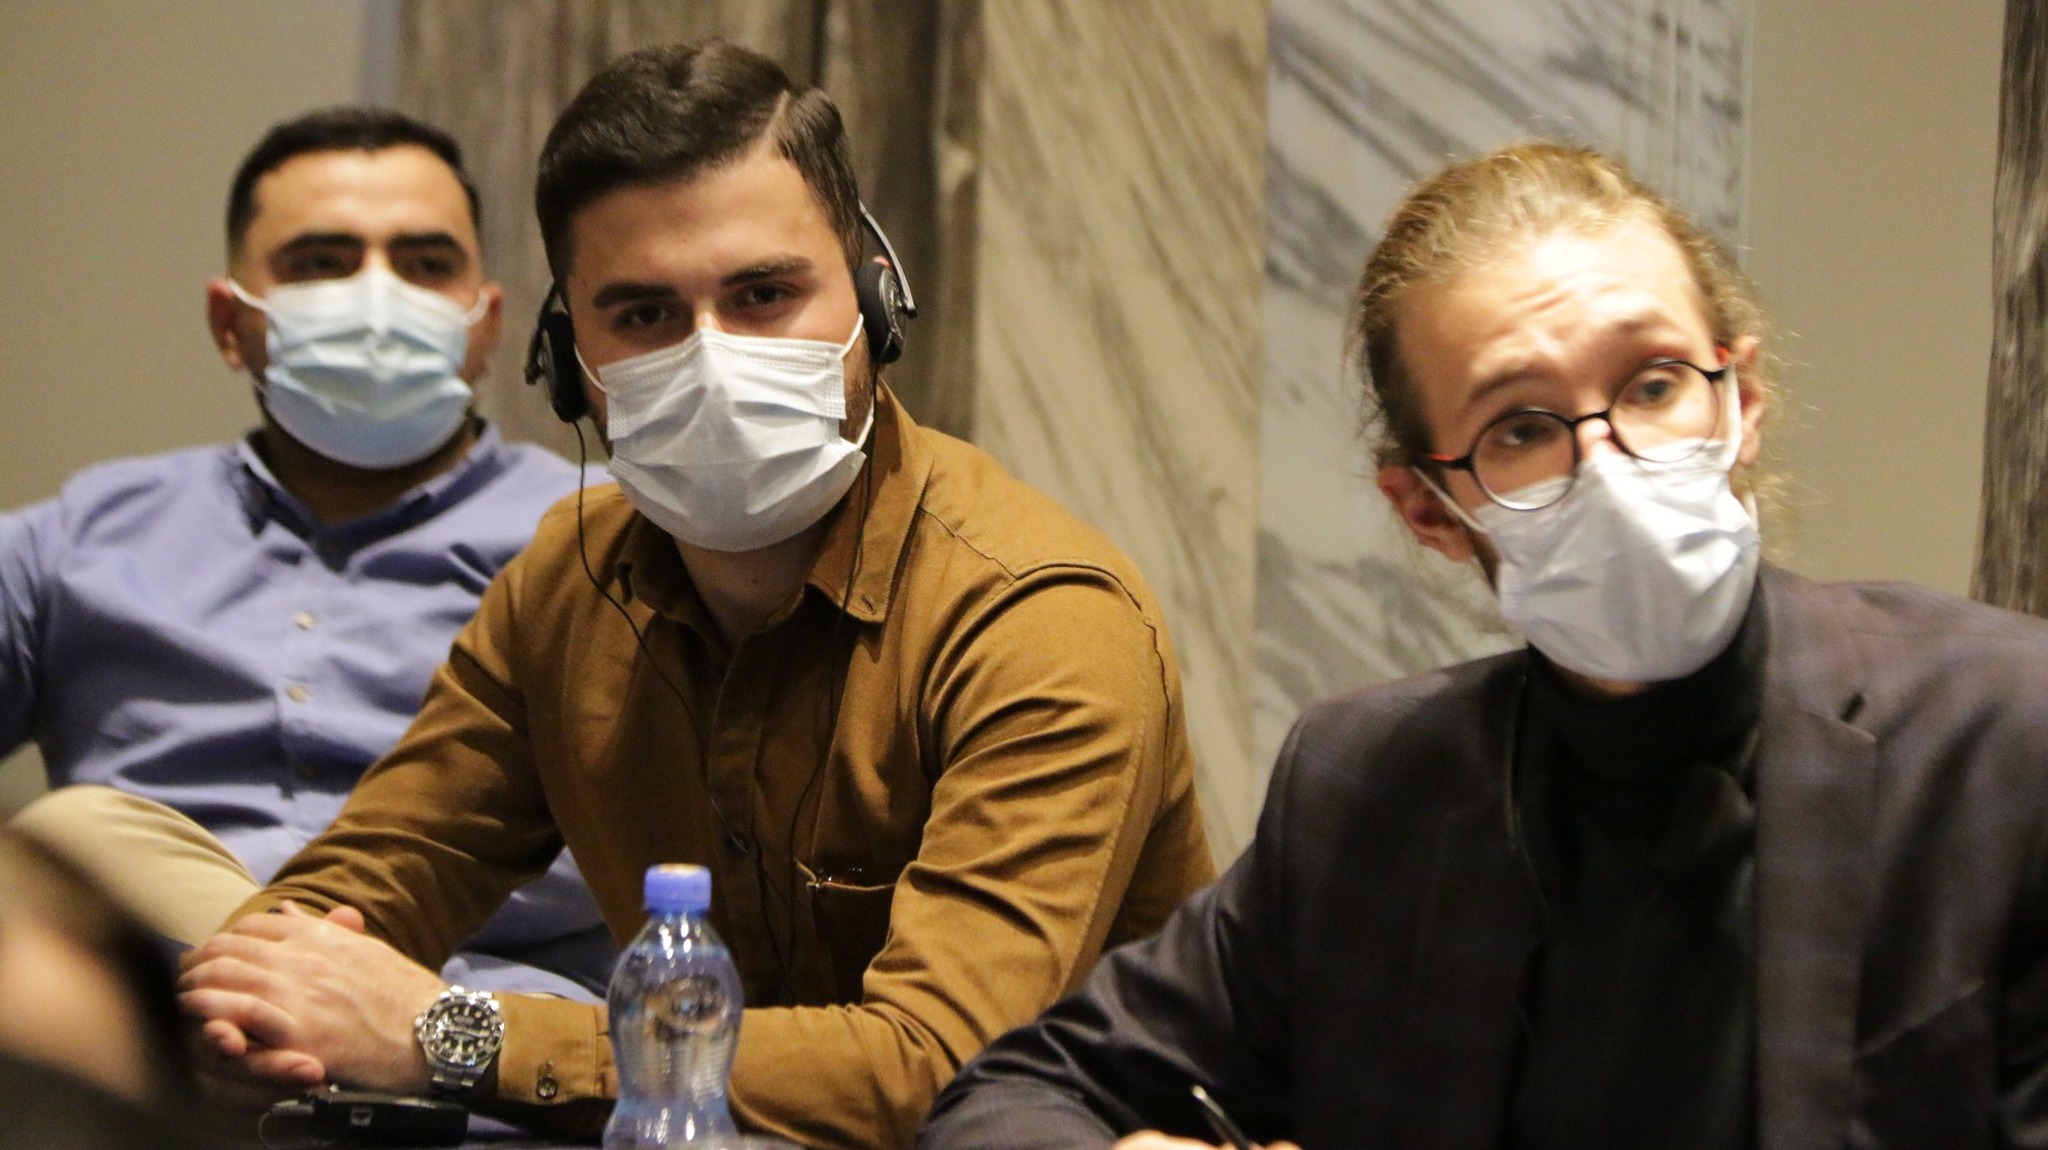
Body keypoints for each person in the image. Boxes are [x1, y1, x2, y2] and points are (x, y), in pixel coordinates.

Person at [177, 39, 1214, 1150]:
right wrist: (254, 1004)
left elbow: (938, 1069)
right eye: (643, 314)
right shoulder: (565, 581)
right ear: (566, 360)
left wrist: (452, 1033)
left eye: (764, 294)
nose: (712, 358)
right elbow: (378, 873)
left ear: (874, 299)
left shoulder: (1041, 617)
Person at [918, 140, 2048, 1149]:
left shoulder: (2002, 737)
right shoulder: (1368, 787)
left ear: (1740, 401)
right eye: (1521, 428)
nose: (1608, 464)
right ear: (1427, 509)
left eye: (1654, 385)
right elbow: (1013, 1097)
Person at [1, 107, 612, 1001]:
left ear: (486, 324)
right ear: (230, 322)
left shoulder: (603, 543)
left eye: (425, 264)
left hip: (484, 1034)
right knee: (86, 842)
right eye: (323, 263)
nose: (377, 298)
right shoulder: (85, 537)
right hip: (151, 1036)